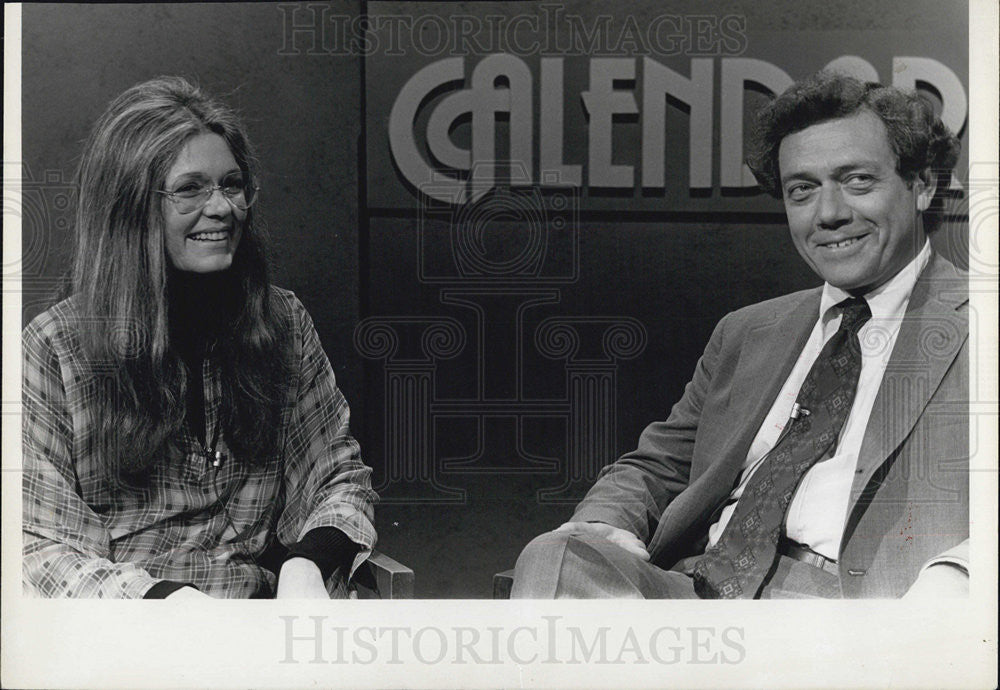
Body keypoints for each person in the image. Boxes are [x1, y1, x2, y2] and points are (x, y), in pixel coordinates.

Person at [512, 72, 968, 599]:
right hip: (700, 589)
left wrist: (962, 573)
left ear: (923, 185)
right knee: (559, 556)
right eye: (803, 190)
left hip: (850, 607)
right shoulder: (748, 330)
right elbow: (661, 462)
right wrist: (602, 519)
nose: (830, 213)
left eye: (858, 181)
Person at [22, 76, 377, 599]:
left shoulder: (283, 322)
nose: (223, 208)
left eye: (232, 185)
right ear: (129, 208)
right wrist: (170, 606)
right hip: (129, 646)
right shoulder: (54, 348)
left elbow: (336, 476)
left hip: (258, 629)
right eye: (190, 189)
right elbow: (42, 551)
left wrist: (308, 563)